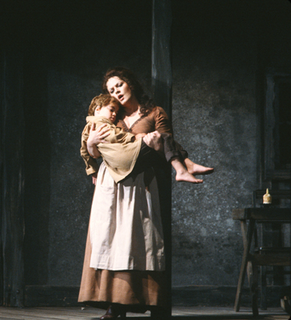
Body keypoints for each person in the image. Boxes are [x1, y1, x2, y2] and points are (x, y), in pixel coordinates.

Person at [78, 67, 213, 320]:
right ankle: (114, 306)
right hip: (114, 184)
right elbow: (96, 150)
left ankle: (153, 303)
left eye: (119, 85)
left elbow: (166, 140)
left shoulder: (154, 112)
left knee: (143, 240)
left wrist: (143, 140)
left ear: (130, 84)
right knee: (113, 238)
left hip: (143, 182)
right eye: (110, 90)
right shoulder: (111, 116)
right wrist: (90, 144)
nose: (116, 92)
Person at [81, 93, 208, 184]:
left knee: (160, 137)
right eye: (111, 110)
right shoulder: (99, 124)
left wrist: (93, 171)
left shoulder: (92, 127)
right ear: (97, 110)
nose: (114, 114)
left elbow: (84, 152)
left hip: (123, 159)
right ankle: (184, 167)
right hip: (124, 157)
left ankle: (186, 165)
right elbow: (114, 137)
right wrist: (134, 137)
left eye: (116, 111)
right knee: (158, 136)